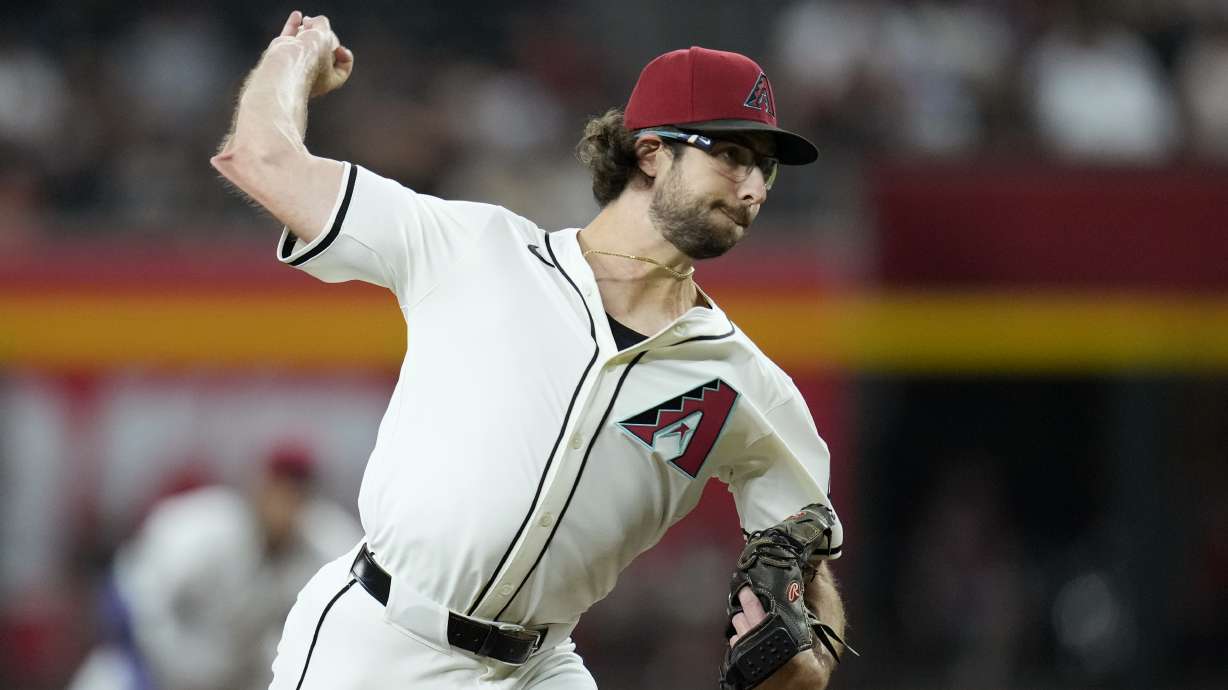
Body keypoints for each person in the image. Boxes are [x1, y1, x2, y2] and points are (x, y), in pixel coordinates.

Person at [211, 11, 848, 690]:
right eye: (733, 156)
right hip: (380, 642)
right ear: (653, 152)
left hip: (539, 667)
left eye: (766, 170)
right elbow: (261, 159)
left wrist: (814, 662)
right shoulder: (475, 250)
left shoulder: (748, 384)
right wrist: (294, 59)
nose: (754, 188)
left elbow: (800, 557)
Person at [67, 447, 361, 690]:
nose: (285, 503)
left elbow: (361, 606)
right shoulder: (206, 527)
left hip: (234, 678)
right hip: (152, 670)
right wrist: (147, 669)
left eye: (296, 492)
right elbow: (125, 594)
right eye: (278, 488)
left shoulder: (320, 543)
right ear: (259, 486)